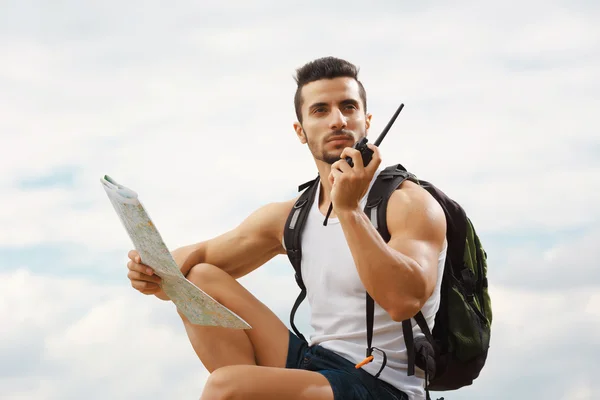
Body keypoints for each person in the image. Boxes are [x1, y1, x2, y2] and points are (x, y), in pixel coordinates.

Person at [126, 56, 447, 400]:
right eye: (321, 110)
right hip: (319, 364)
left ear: (366, 121)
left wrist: (349, 209)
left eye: (348, 107)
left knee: (226, 387)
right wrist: (149, 271)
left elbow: (404, 302)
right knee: (200, 277)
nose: (338, 120)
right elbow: (180, 275)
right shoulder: (292, 216)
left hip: (384, 386)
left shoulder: (409, 204)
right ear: (301, 130)